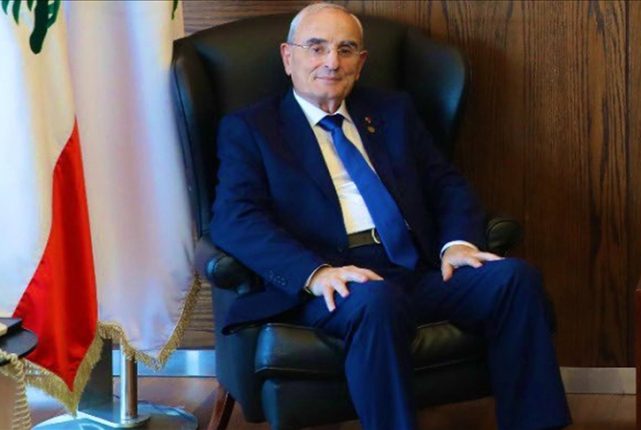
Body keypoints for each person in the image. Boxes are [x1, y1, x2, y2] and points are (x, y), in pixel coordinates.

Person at [210, 3, 571, 429]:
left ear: (361, 63)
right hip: (331, 281)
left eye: (346, 50)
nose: (332, 62)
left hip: (415, 266)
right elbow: (235, 218)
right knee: (376, 301)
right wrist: (315, 273)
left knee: (514, 279)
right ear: (288, 57)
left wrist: (457, 245)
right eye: (317, 48)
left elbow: (446, 185)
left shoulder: (392, 112)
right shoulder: (251, 128)